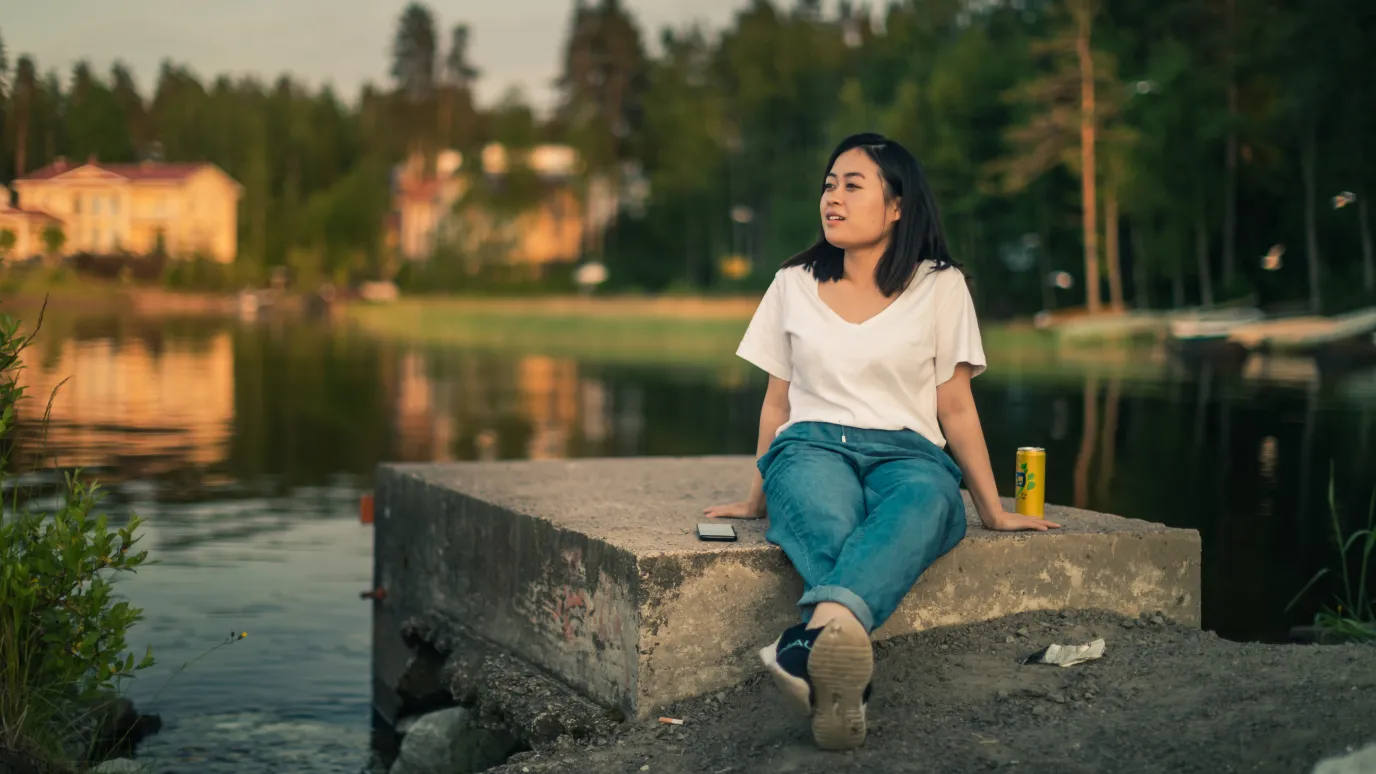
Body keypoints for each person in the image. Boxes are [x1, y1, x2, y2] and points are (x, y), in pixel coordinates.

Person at [703, 132, 1061, 752]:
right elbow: (777, 402)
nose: (832, 198)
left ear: (897, 205)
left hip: (909, 454)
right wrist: (756, 497)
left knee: (929, 503)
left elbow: (955, 406)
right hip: (811, 447)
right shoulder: (792, 282)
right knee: (831, 520)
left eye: (852, 185)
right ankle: (832, 656)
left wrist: (993, 510)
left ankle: (812, 650)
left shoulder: (941, 286)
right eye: (828, 185)